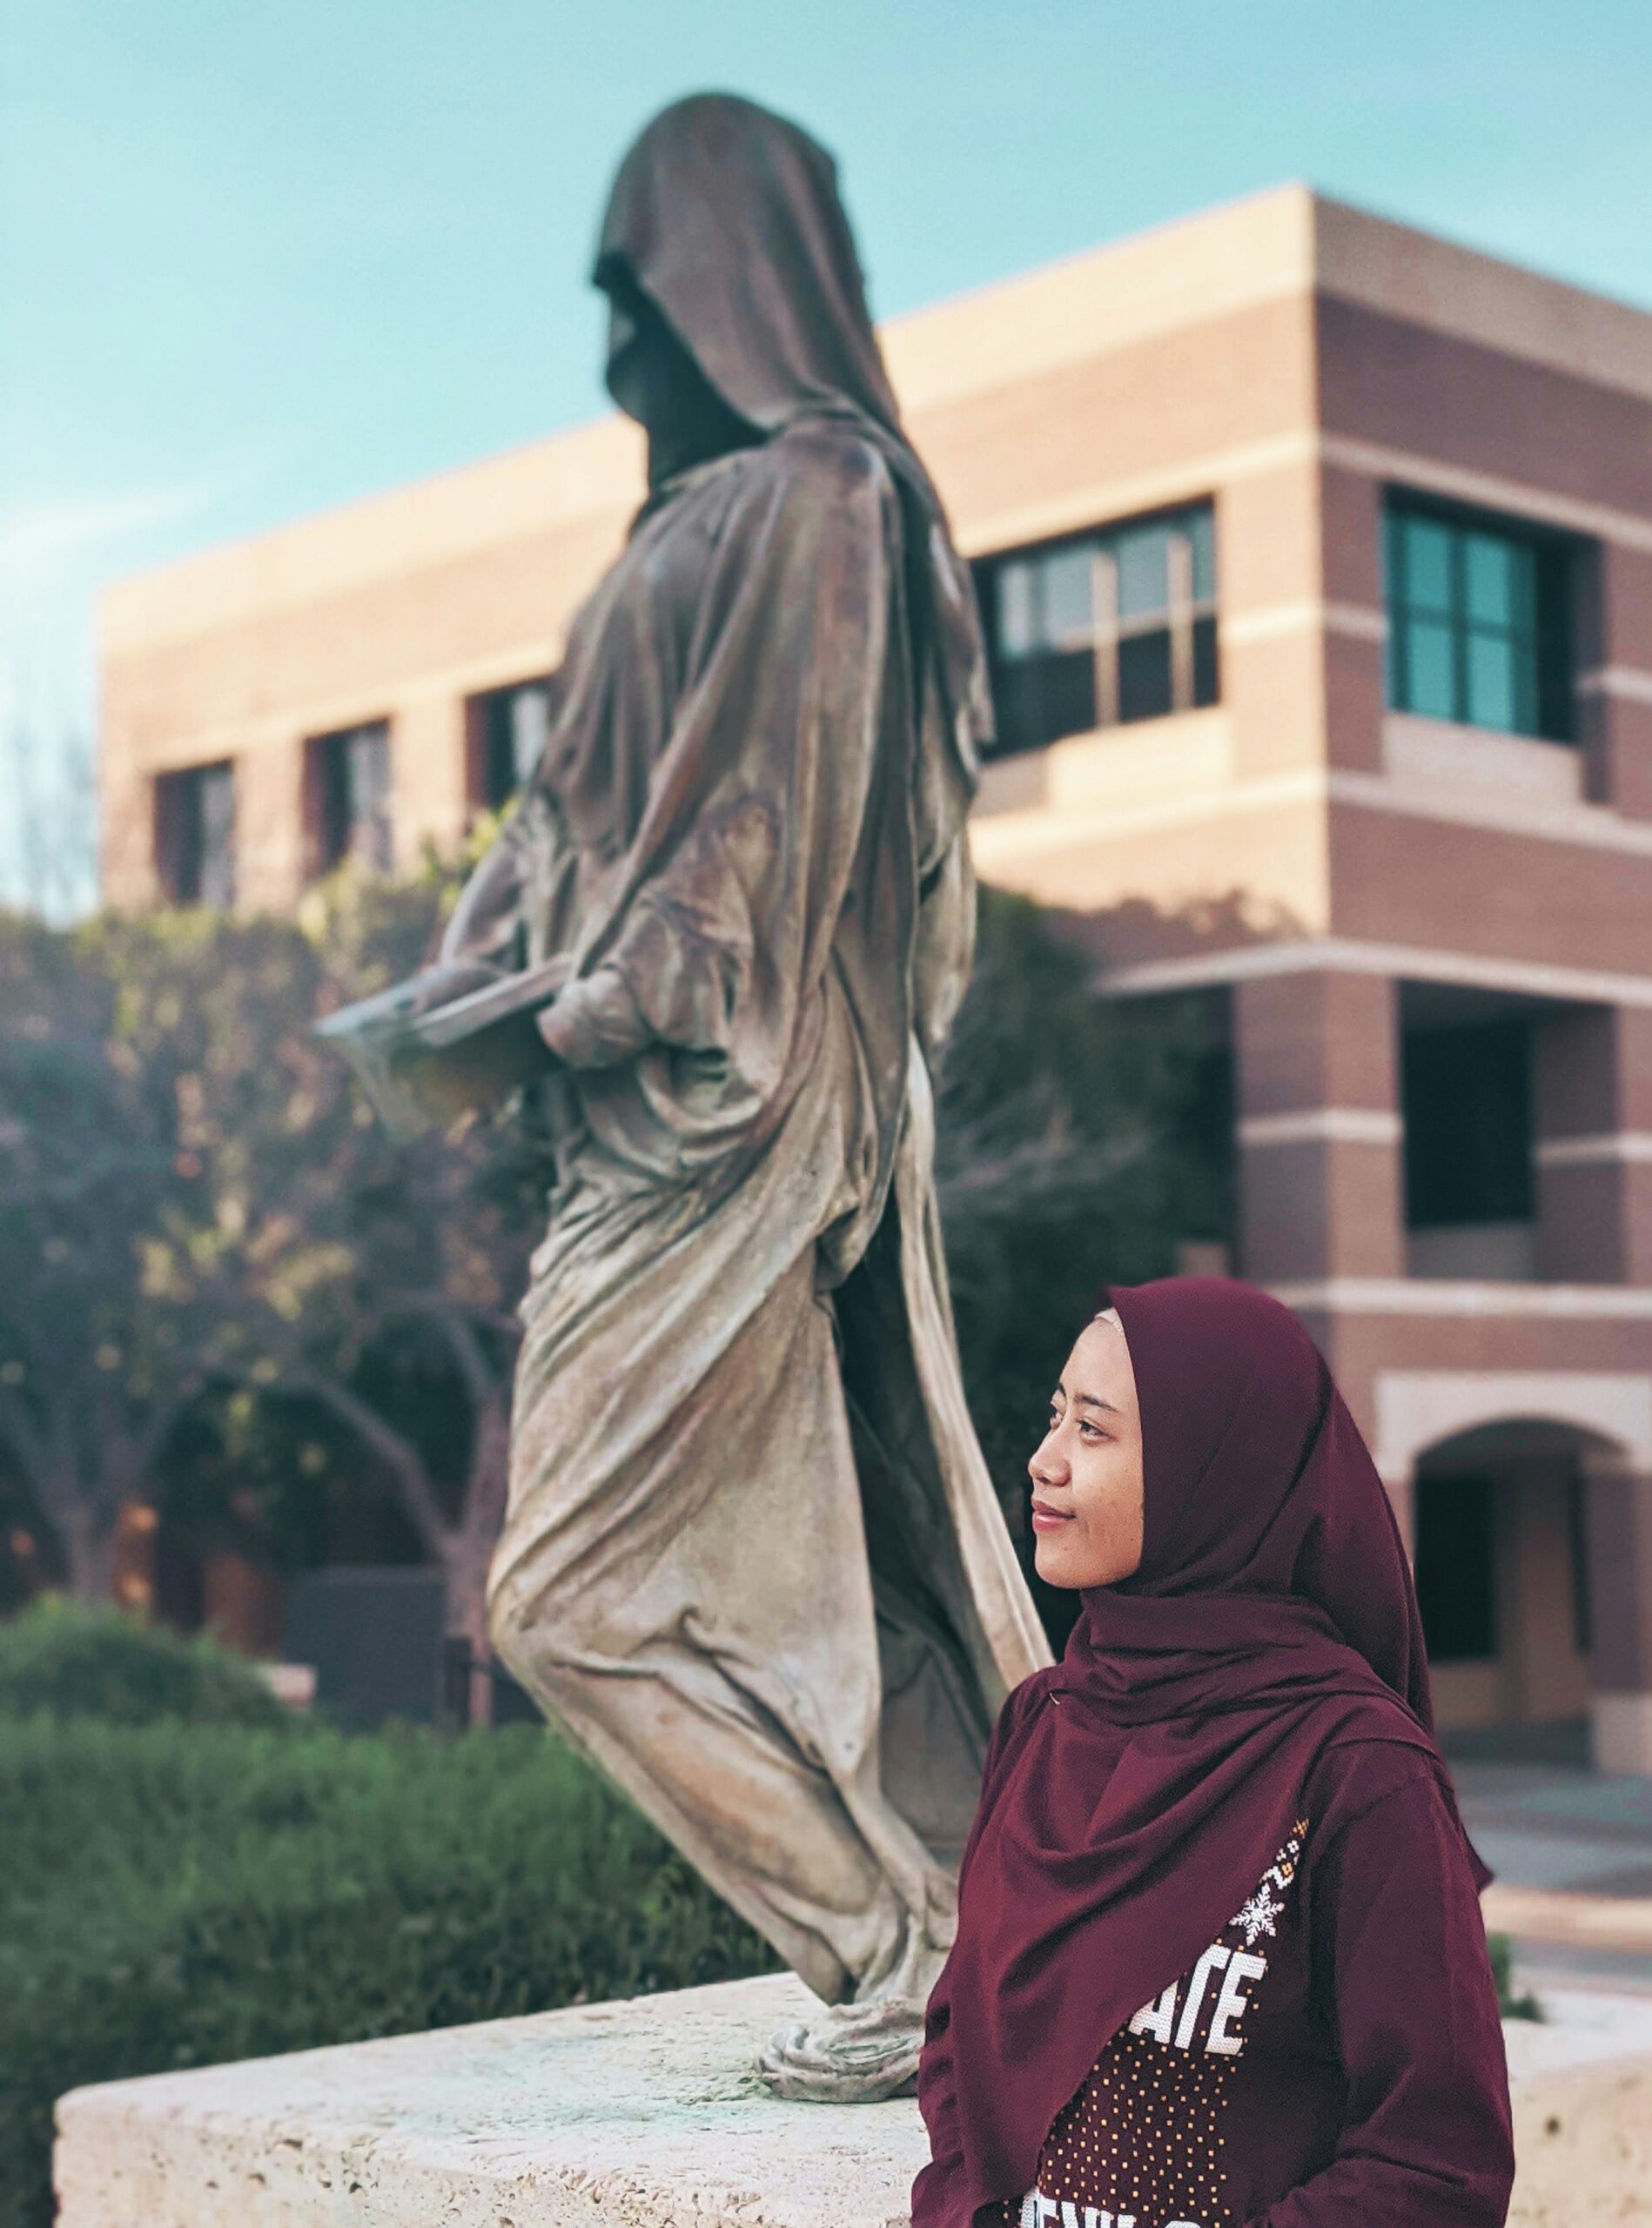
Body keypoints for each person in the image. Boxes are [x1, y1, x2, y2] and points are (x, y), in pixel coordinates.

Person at [436, 91, 1049, 2101]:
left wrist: (615, 991)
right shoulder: (679, 521)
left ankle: (903, 1946)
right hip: (623, 1119)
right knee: (814, 1571)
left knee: (564, 1591)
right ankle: (996, 1927)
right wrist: (473, 961)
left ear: (723, 271)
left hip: (738, 1108)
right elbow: (576, 808)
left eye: (643, 272)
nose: (619, 324)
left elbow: (772, 821)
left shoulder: (827, 494)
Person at [914, 1278, 1515, 2228]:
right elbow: (957, 2040)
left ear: (1216, 1469)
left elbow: (1434, 2163)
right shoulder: (1041, 1723)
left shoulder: (1353, 1769)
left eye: (1093, 1430)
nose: (1041, 1462)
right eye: (1054, 1416)